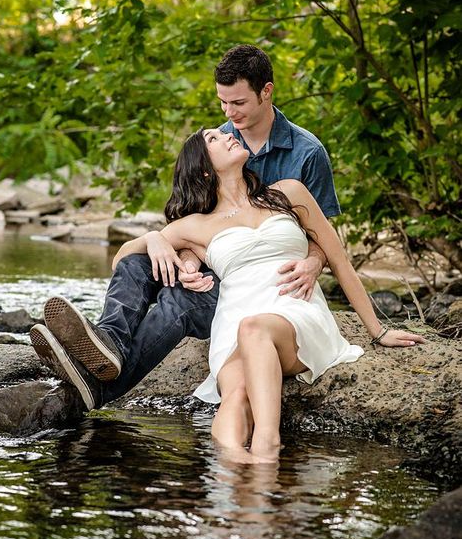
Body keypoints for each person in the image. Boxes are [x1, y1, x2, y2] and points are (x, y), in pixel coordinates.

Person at [33, 127, 424, 463]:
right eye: (216, 138)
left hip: (291, 310)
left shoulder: (288, 193)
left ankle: (267, 453)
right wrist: (155, 239)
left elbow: (340, 261)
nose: (228, 134)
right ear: (205, 167)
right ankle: (232, 473)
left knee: (255, 330)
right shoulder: (196, 225)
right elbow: (122, 256)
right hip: (233, 320)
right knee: (235, 392)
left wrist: (377, 330)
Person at [30, 45, 341, 411]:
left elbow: (325, 237)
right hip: (210, 264)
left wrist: (314, 263)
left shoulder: (306, 153)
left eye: (238, 102)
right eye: (222, 103)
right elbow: (198, 222)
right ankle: (109, 344)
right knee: (135, 264)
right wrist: (169, 247)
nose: (229, 115)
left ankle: (97, 389)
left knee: (178, 302)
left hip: (259, 286)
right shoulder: (219, 141)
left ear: (267, 91)